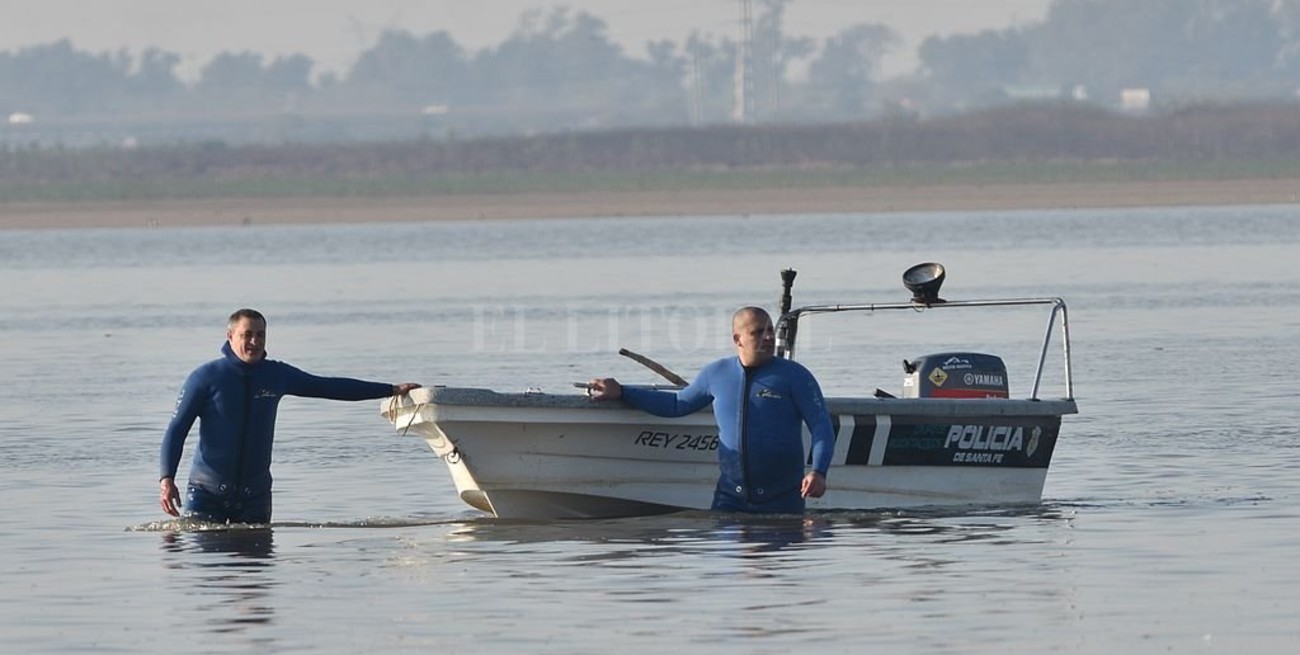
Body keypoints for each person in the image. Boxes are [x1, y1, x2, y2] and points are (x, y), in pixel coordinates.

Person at [159, 308, 421, 524]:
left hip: (255, 497)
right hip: (207, 493)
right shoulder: (205, 378)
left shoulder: (276, 375)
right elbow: (176, 430)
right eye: (247, 334)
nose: (254, 341)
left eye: (260, 335)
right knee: (208, 578)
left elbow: (328, 387)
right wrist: (167, 478)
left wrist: (389, 389)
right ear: (230, 336)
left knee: (258, 580)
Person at [588, 306, 835, 513]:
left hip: (783, 501)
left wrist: (819, 472)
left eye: (770, 330)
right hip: (730, 500)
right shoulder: (716, 374)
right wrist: (622, 392)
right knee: (728, 569)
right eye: (758, 332)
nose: (768, 337)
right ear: (737, 339)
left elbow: (821, 425)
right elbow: (677, 405)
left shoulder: (794, 376)